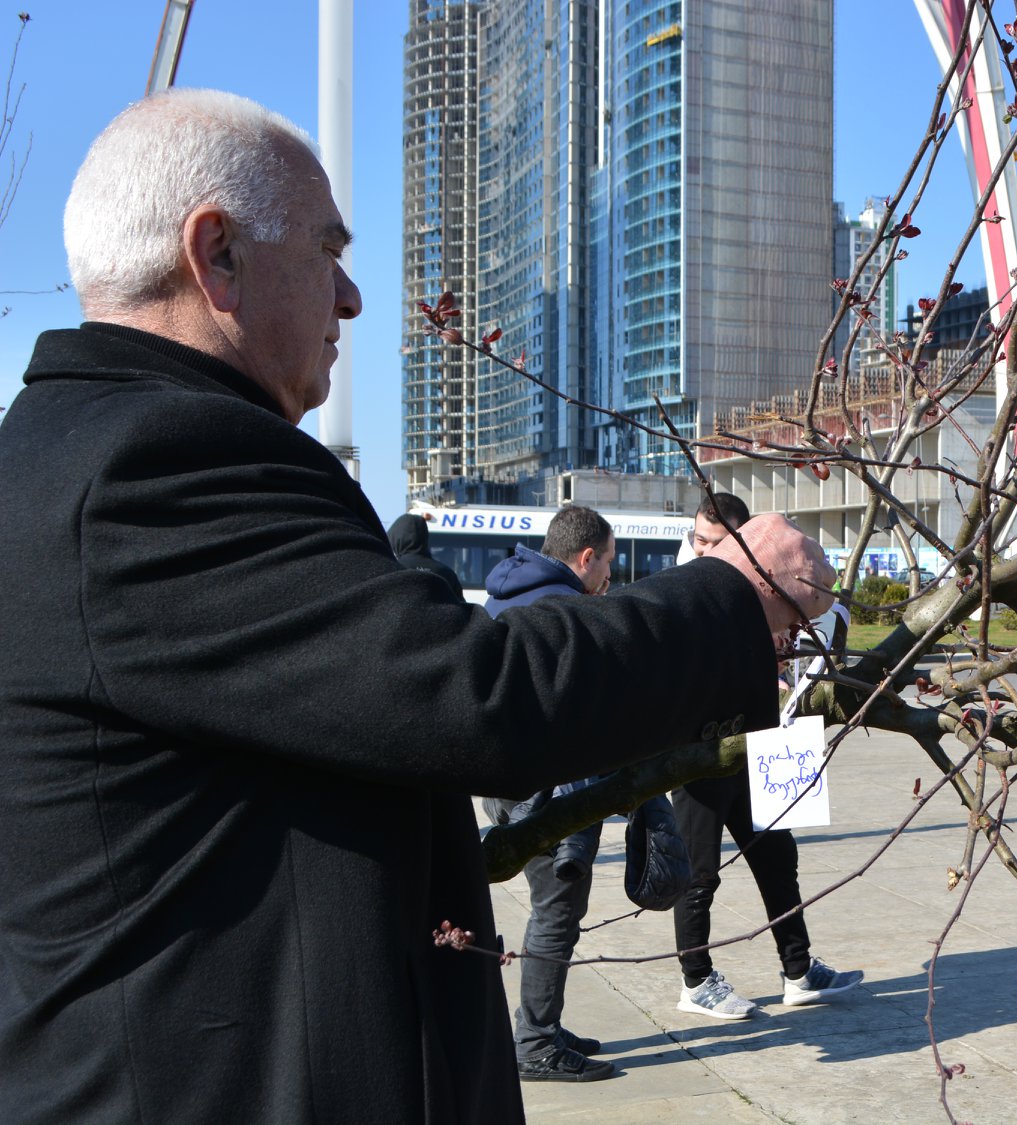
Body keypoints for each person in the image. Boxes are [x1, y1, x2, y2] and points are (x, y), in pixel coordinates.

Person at [0, 90, 833, 1125]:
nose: (351, 297)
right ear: (217, 256)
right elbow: (475, 697)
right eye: (327, 250)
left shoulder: (59, 453)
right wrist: (734, 597)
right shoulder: (157, 466)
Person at [671, 492, 864, 1020]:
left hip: (757, 749)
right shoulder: (682, 590)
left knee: (778, 862)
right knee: (699, 875)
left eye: (715, 543)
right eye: (698, 539)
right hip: (699, 757)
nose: (703, 551)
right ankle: (696, 981)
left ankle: (799, 971)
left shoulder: (761, 589)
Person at [480, 505, 617, 1083]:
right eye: (608, 562)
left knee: (555, 910)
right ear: (586, 557)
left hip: (508, 781)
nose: (610, 575)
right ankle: (535, 1044)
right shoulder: (565, 611)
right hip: (547, 791)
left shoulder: (506, 595)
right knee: (556, 912)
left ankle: (544, 1026)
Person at [387, 511, 467, 599]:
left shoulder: (391, 569)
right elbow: (461, 605)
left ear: (395, 539)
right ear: (425, 536)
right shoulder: (447, 573)